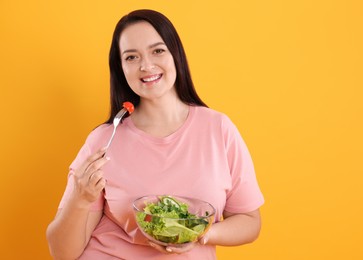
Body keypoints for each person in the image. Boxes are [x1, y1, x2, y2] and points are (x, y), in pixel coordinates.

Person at [46, 9, 264, 260]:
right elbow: (61, 253)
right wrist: (80, 199)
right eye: (131, 57)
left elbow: (250, 221)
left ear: (176, 55)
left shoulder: (219, 129)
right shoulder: (104, 140)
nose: (146, 65)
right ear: (121, 68)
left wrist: (198, 234)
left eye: (157, 50)